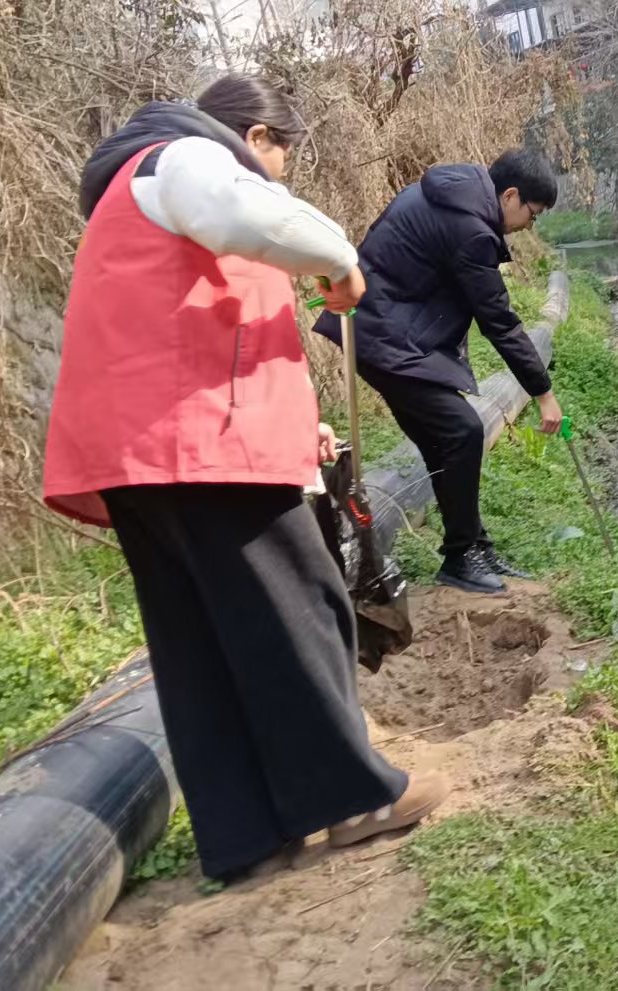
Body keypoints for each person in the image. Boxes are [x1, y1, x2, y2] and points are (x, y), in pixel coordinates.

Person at [43, 75, 446, 882]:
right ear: (254, 139)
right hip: (198, 446)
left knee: (198, 641)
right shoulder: (184, 157)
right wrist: (339, 257)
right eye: (273, 166)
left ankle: (244, 832)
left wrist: (300, 426)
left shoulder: (131, 189)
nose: (271, 184)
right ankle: (348, 797)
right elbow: (246, 215)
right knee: (300, 607)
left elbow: (194, 329)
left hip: (135, 456)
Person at [315, 151, 564, 595]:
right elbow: (498, 319)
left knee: (443, 438)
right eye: (533, 213)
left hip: (389, 331)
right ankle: (461, 555)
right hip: (383, 336)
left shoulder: (459, 201)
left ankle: (472, 548)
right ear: (510, 195)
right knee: (464, 430)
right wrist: (542, 392)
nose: (530, 225)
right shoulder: (470, 227)